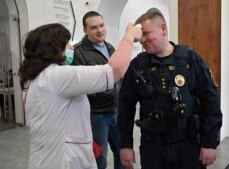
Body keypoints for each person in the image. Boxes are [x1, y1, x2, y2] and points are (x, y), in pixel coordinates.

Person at [18, 23, 141, 169]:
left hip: (45, 158)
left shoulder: (34, 79)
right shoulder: (57, 76)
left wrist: (84, 137)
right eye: (66, 45)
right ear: (52, 50)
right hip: (63, 161)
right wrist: (129, 35)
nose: (71, 48)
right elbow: (114, 70)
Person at [118, 8, 222, 169]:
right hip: (153, 148)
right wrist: (125, 145)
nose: (142, 40)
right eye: (140, 36)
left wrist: (209, 143)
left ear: (163, 29)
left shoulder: (190, 59)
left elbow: (210, 100)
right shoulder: (138, 66)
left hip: (188, 144)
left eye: (146, 33)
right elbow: (125, 106)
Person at [71, 11, 123, 169]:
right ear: (84, 30)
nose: (100, 30)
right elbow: (80, 84)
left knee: (122, 153)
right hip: (96, 115)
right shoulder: (78, 52)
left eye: (101, 25)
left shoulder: (110, 47)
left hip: (117, 111)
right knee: (99, 158)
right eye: (94, 27)